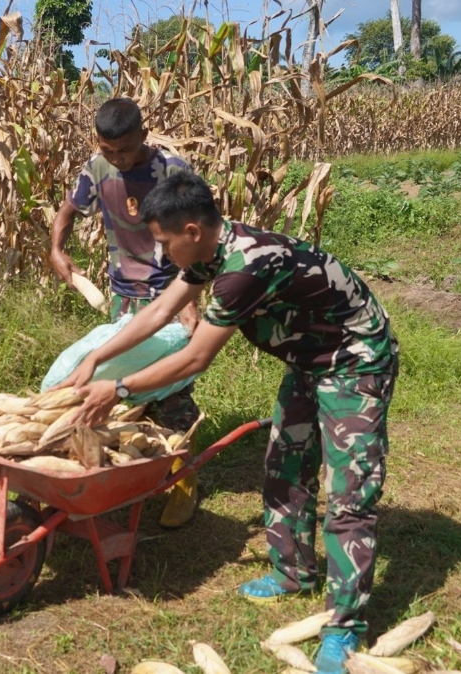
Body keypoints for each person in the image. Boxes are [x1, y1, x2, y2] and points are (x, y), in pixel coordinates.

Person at [60, 171, 399, 674]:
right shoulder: (212, 252)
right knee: (284, 467)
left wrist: (121, 388)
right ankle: (294, 574)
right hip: (310, 359)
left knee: (349, 494)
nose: (159, 253)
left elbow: (197, 358)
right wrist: (97, 359)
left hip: (354, 360)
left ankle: (345, 626)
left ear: (192, 231)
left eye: (163, 241)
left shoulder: (244, 267)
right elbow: (158, 313)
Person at [50, 97, 202, 527]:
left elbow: (195, 238)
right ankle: (133, 478)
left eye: (125, 149)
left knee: (172, 395)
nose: (116, 158)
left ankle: (184, 486)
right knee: (121, 394)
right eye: (107, 149)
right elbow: (69, 210)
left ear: (144, 135)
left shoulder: (173, 171)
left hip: (171, 293)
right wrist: (57, 250)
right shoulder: (97, 169)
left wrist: (188, 300)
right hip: (124, 298)